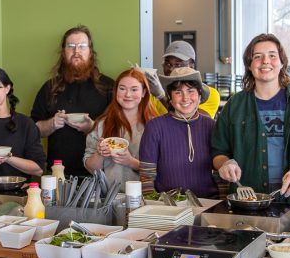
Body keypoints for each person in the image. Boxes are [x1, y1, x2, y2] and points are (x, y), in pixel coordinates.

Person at [211, 32, 290, 210]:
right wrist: (225, 164)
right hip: (248, 203)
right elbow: (218, 151)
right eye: (257, 57)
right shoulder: (234, 105)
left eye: (272, 56)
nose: (265, 61)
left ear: (282, 62)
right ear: (249, 65)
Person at [31, 25, 113, 176]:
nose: (76, 51)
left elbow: (121, 131)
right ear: (63, 52)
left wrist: (93, 128)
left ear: (90, 51)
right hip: (58, 172)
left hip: (100, 174)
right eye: (71, 46)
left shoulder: (108, 87)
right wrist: (51, 124)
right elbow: (33, 131)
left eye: (82, 46)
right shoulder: (50, 87)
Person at [139, 67, 218, 199]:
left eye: (191, 91)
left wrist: (223, 202)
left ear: (199, 96)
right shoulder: (154, 127)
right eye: (178, 92)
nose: (185, 98)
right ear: (169, 97)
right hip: (167, 205)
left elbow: (219, 172)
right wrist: (151, 204)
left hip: (208, 202)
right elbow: (147, 176)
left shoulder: (211, 125)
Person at [83, 69, 155, 191]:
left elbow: (164, 169)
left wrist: (131, 162)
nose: (127, 94)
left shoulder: (155, 125)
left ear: (143, 93)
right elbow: (91, 168)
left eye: (134, 89)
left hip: (146, 197)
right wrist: (99, 154)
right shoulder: (101, 124)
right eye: (122, 89)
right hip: (108, 198)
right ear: (116, 91)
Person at [155, 40, 220, 117]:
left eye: (178, 65)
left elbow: (193, 121)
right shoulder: (153, 93)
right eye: (168, 64)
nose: (171, 69)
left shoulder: (210, 94)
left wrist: (161, 97)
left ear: (191, 66)